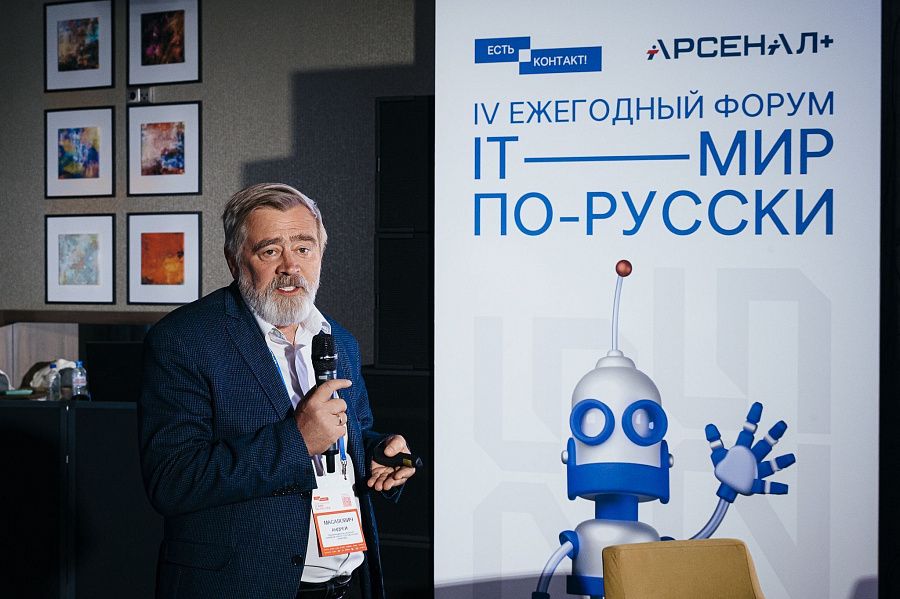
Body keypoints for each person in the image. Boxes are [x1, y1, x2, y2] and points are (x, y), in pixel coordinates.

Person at [138, 183, 416, 599]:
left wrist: (376, 454)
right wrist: (297, 442)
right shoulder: (184, 340)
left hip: (346, 584)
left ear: (320, 254)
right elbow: (173, 480)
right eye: (270, 251)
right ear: (235, 260)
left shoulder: (339, 339)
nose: (291, 266)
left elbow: (349, 433)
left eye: (303, 248)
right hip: (241, 587)